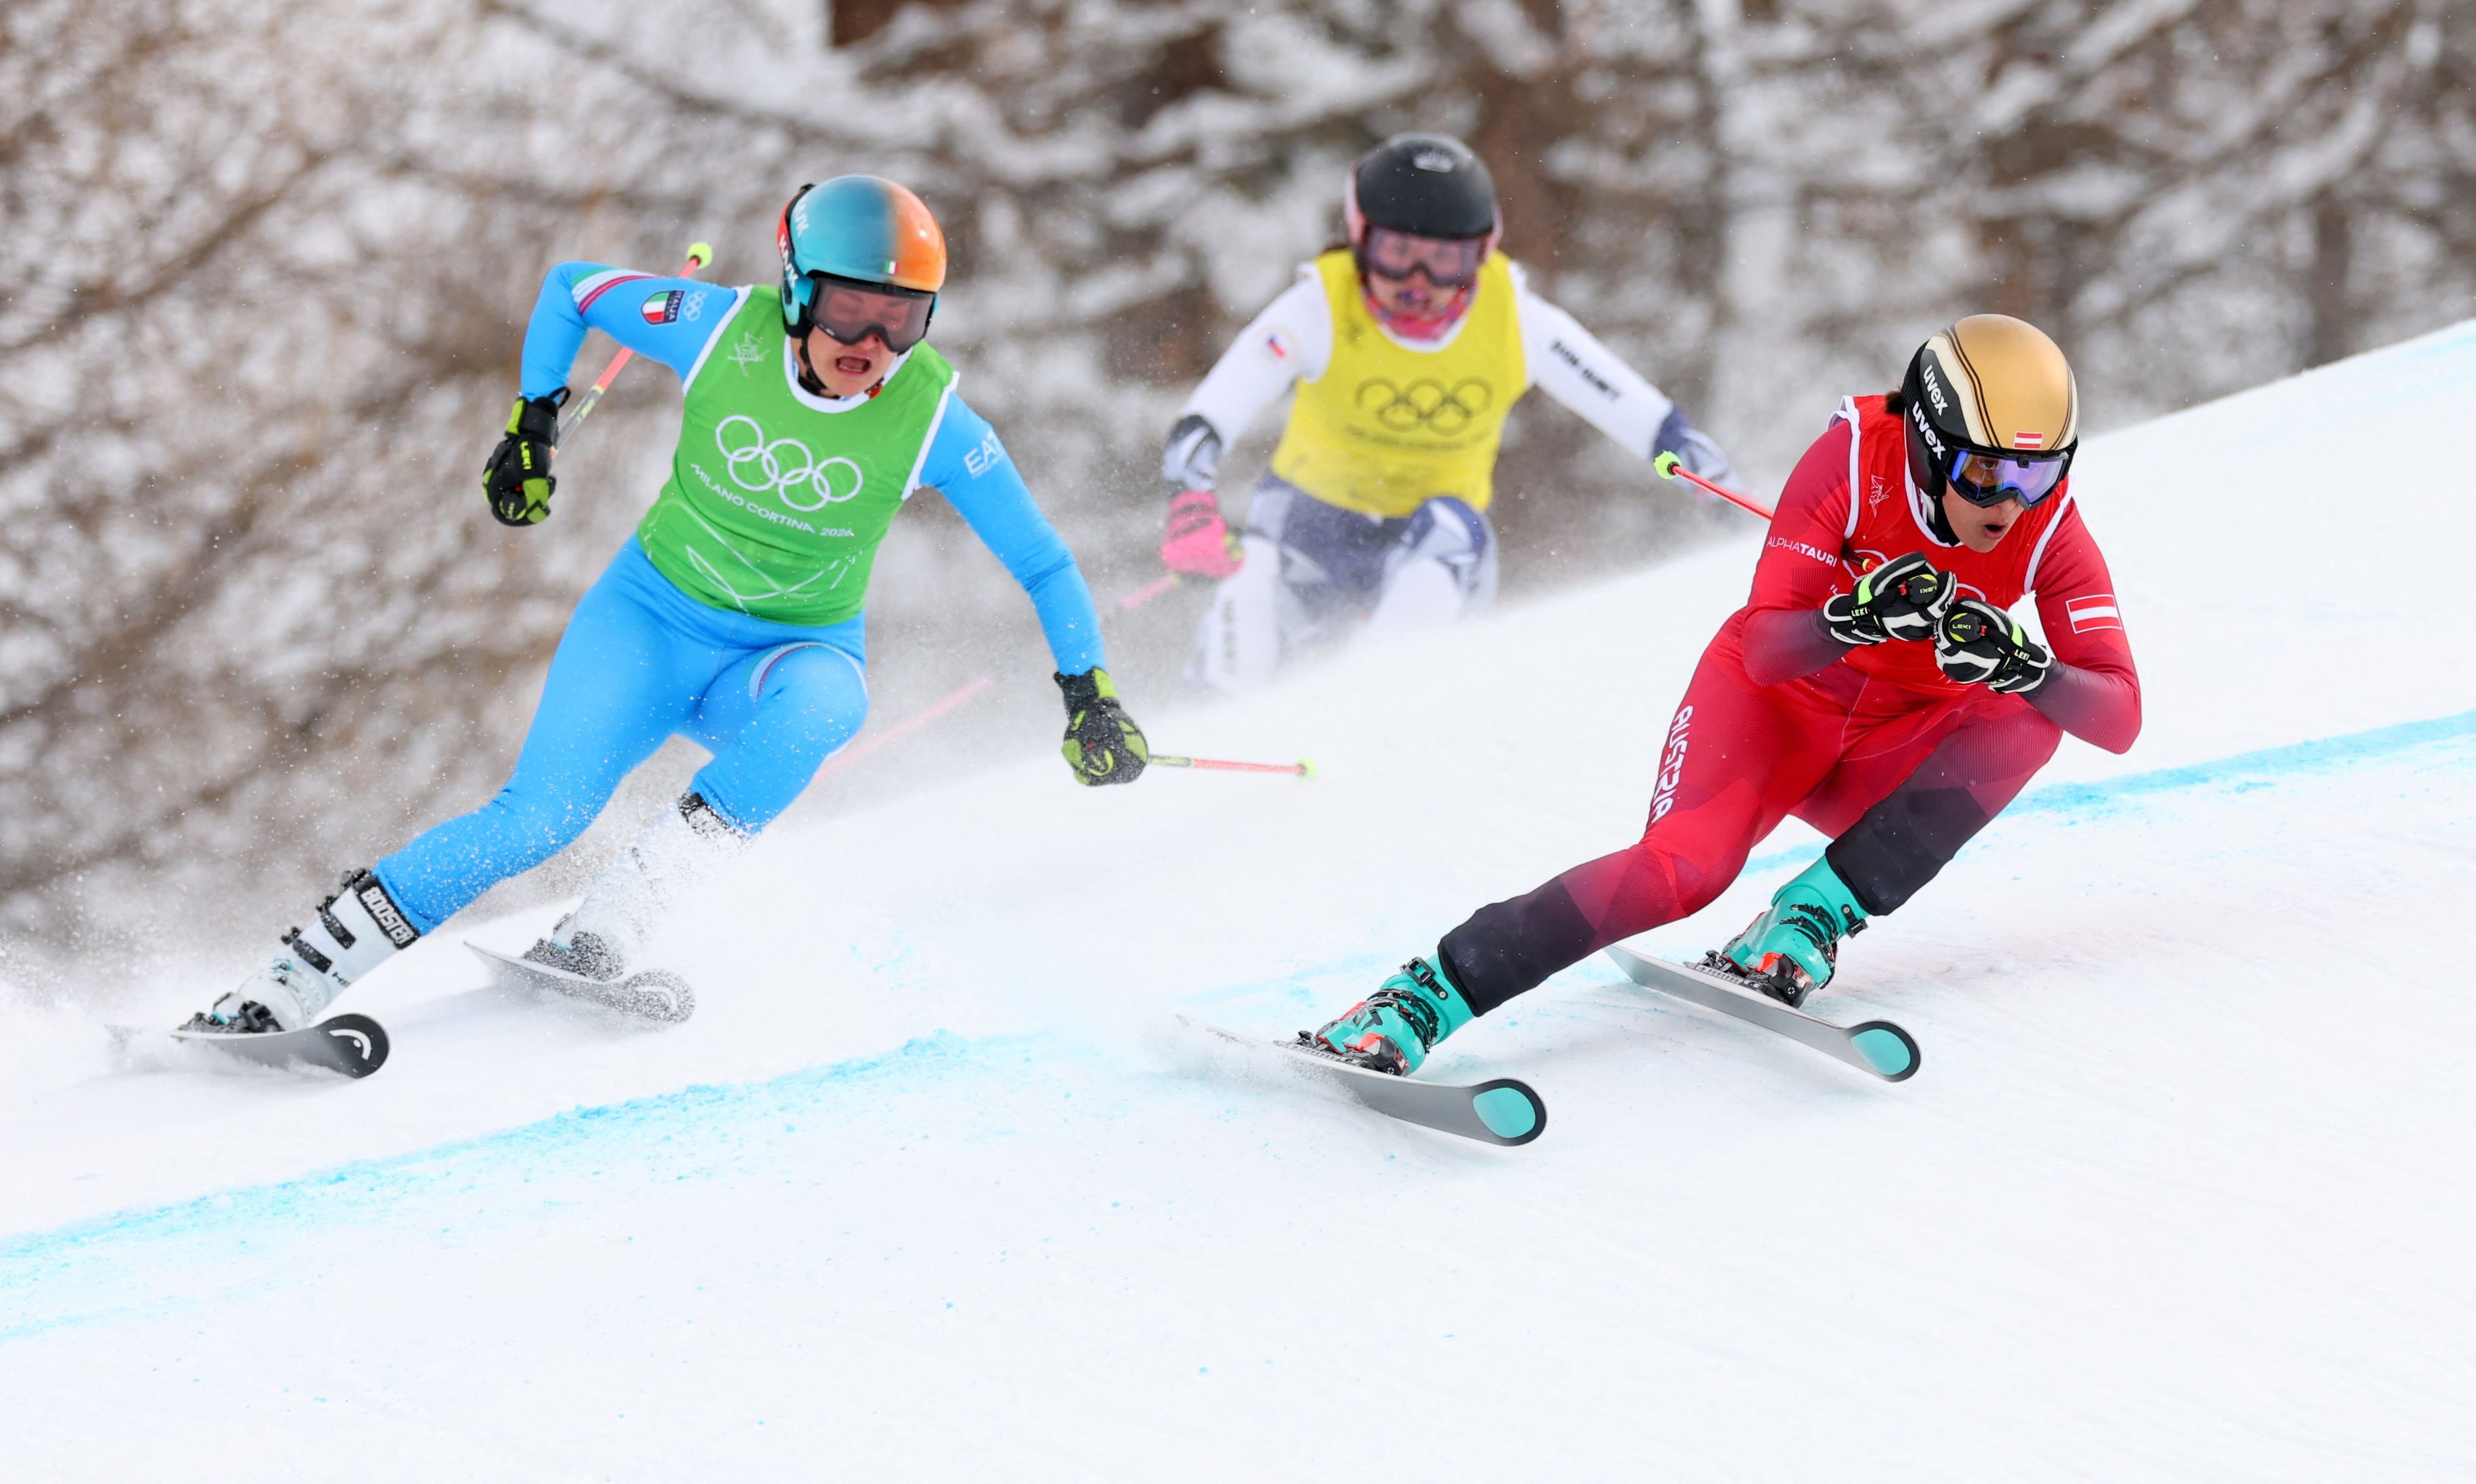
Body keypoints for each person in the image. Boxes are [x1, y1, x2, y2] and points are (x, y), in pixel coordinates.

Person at [185, 175, 1149, 1034]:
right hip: (645, 628)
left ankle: (610, 926)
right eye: (851, 310)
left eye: (902, 318)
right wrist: (532, 420)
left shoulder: (935, 416)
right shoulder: (718, 325)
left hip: (782, 656)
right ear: (798, 289)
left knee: (831, 705)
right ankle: (286, 984)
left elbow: (1045, 563)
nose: (871, 343)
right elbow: (572, 287)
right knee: (535, 823)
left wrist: (1088, 690)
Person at [1302, 314, 2142, 1073]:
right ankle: (1422, 996)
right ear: (1925, 443)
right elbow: (1772, 647)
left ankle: (1810, 914)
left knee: (2031, 716)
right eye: (1985, 473)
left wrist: (2022, 666)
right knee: (1681, 874)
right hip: (1773, 709)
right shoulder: (1849, 462)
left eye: (2035, 476)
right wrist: (1857, 616)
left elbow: (2119, 715)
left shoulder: (2049, 530)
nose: (2008, 505)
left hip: (1883, 745)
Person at [1157, 132, 1734, 690]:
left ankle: (1367, 705)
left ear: (1480, 253)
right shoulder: (1319, 307)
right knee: (1251, 592)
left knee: (1453, 530)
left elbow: (1633, 411)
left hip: (1429, 545)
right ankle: (1218, 716)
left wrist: (1699, 473)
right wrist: (1190, 500)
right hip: (1309, 529)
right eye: (1397, 253)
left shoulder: (1515, 319)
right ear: (1360, 239)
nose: (1419, 282)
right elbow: (1210, 416)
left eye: (1445, 260)